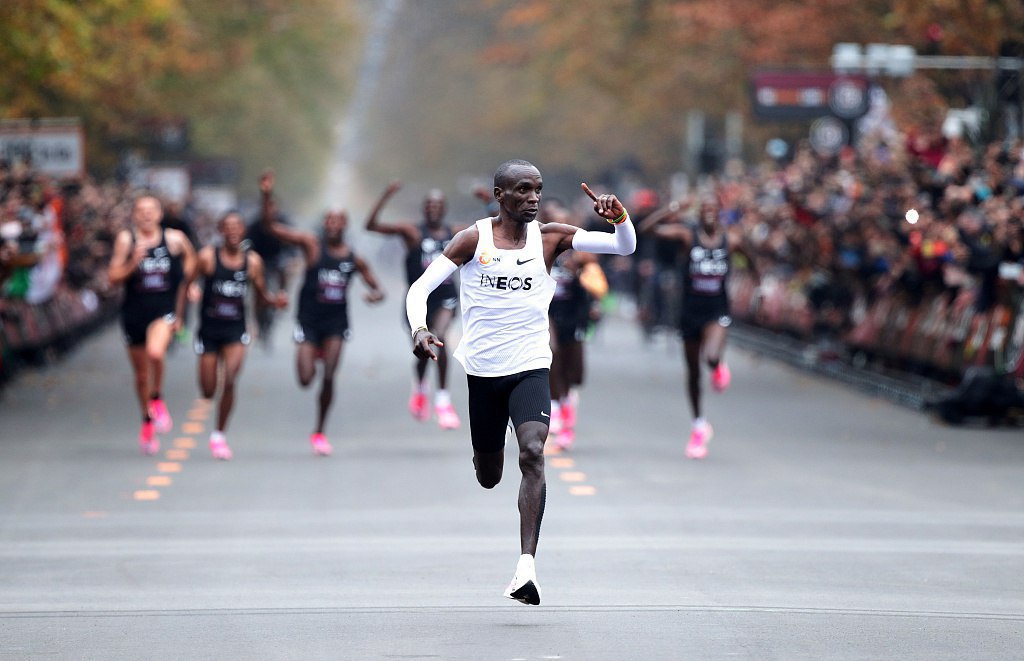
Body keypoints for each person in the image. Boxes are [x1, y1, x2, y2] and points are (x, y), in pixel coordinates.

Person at [406, 159, 636, 605]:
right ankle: (483, 459)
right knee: (490, 475)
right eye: (523, 191)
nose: (532, 199)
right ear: (499, 195)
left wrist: (619, 217)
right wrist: (419, 328)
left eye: (538, 190)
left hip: (531, 365)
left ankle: (526, 568)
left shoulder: (551, 237)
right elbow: (419, 289)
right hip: (483, 372)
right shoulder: (472, 240)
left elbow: (624, 248)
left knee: (532, 451)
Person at [259, 171, 385, 456]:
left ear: (345, 226)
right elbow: (271, 227)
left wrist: (374, 295)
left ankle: (319, 431)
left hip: (336, 323)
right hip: (308, 320)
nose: (331, 225)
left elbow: (378, 288)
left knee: (328, 376)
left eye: (337, 221)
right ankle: (311, 353)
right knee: (305, 380)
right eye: (328, 220)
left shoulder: (354, 257)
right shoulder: (311, 246)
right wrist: (266, 194)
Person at [639, 196, 758, 460]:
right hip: (689, 312)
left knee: (711, 356)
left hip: (717, 310)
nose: (709, 214)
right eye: (704, 210)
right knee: (693, 373)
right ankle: (698, 426)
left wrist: (756, 287)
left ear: (720, 213)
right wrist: (670, 209)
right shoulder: (686, 236)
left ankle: (717, 366)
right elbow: (646, 230)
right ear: (699, 215)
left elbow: (751, 262)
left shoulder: (732, 240)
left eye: (713, 210)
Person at [188, 210, 288, 460]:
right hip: (209, 330)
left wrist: (275, 301)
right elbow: (186, 283)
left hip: (236, 329)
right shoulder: (208, 258)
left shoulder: (252, 262)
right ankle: (214, 409)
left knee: (230, 380)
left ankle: (219, 435)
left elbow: (261, 294)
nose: (233, 231)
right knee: (209, 390)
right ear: (221, 230)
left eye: (237, 226)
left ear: (243, 231)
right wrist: (179, 315)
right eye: (228, 227)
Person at [364, 181, 462, 429]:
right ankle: (419, 386)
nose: (433, 208)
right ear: (423, 209)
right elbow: (371, 226)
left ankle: (443, 401)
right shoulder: (413, 233)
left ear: (444, 209)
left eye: (438, 205)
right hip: (418, 301)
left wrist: (489, 203)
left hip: (446, 299)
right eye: (429, 204)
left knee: (440, 338)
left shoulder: (456, 233)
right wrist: (385, 195)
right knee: (422, 350)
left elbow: (492, 228)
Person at [108, 194, 196, 454]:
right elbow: (113, 276)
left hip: (164, 309)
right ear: (134, 215)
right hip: (134, 311)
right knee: (141, 374)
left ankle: (157, 398)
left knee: (155, 352)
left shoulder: (174, 239)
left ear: (159, 214)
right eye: (141, 210)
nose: (147, 214)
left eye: (151, 210)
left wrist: (189, 285)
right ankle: (146, 420)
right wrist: (132, 264)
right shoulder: (127, 240)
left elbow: (192, 261)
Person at [541, 199, 608, 450]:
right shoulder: (538, 249)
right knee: (552, 352)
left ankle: (567, 403)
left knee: (575, 373)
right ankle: (556, 409)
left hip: (574, 315)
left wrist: (581, 267)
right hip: (547, 313)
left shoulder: (580, 252)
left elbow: (599, 286)